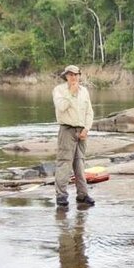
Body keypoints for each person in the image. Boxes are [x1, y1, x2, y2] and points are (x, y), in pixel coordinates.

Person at [52, 65, 94, 208]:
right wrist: (70, 92)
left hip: (81, 131)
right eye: (70, 75)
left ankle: (82, 195)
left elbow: (89, 112)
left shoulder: (84, 91)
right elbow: (61, 106)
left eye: (76, 74)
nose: (73, 77)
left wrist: (86, 129)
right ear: (66, 76)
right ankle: (61, 196)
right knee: (64, 163)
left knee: (80, 163)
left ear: (79, 75)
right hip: (67, 130)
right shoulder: (59, 90)